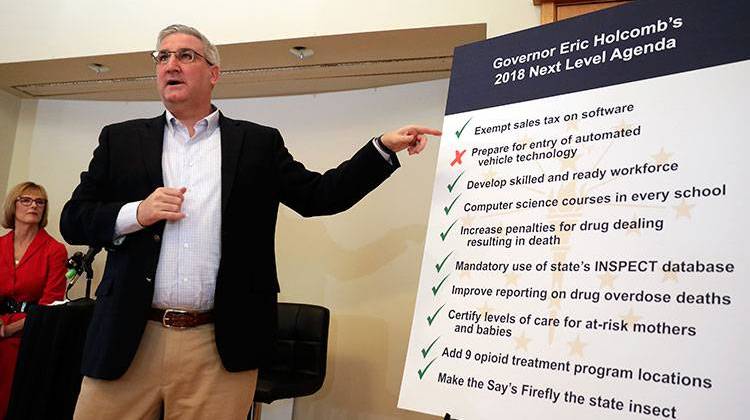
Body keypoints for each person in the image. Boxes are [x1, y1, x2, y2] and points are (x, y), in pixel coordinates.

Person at [60, 24, 441, 419]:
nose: (170, 63)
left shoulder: (258, 144)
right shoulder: (119, 140)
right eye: (163, 56)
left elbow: (321, 195)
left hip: (219, 346)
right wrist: (135, 214)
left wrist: (381, 149)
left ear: (213, 73)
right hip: (128, 337)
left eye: (185, 55)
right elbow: (74, 220)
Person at [0, 182, 67, 419]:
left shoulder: (54, 250)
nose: (33, 206)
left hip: (27, 333)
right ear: (13, 205)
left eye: (40, 202)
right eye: (26, 200)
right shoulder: (0, 245)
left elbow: (50, 306)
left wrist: (9, 330)